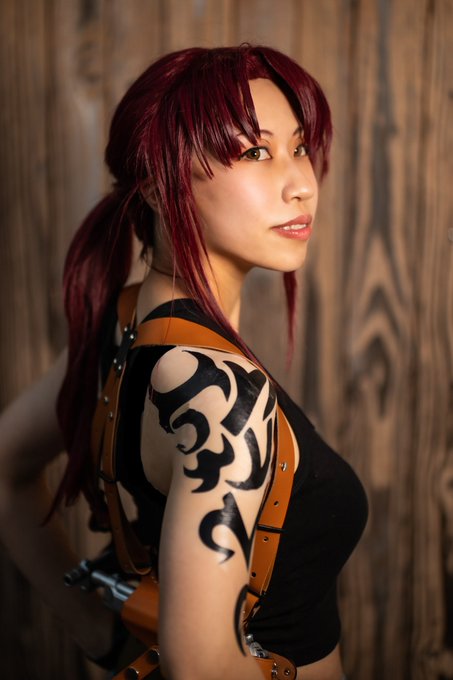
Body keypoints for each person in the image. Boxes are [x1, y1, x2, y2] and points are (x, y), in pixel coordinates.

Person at [0, 45, 368, 680]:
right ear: (155, 183)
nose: (303, 183)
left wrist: (94, 630)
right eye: (256, 153)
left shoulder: (120, 329)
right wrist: (94, 626)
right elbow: (199, 668)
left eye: (300, 147)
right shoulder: (219, 397)